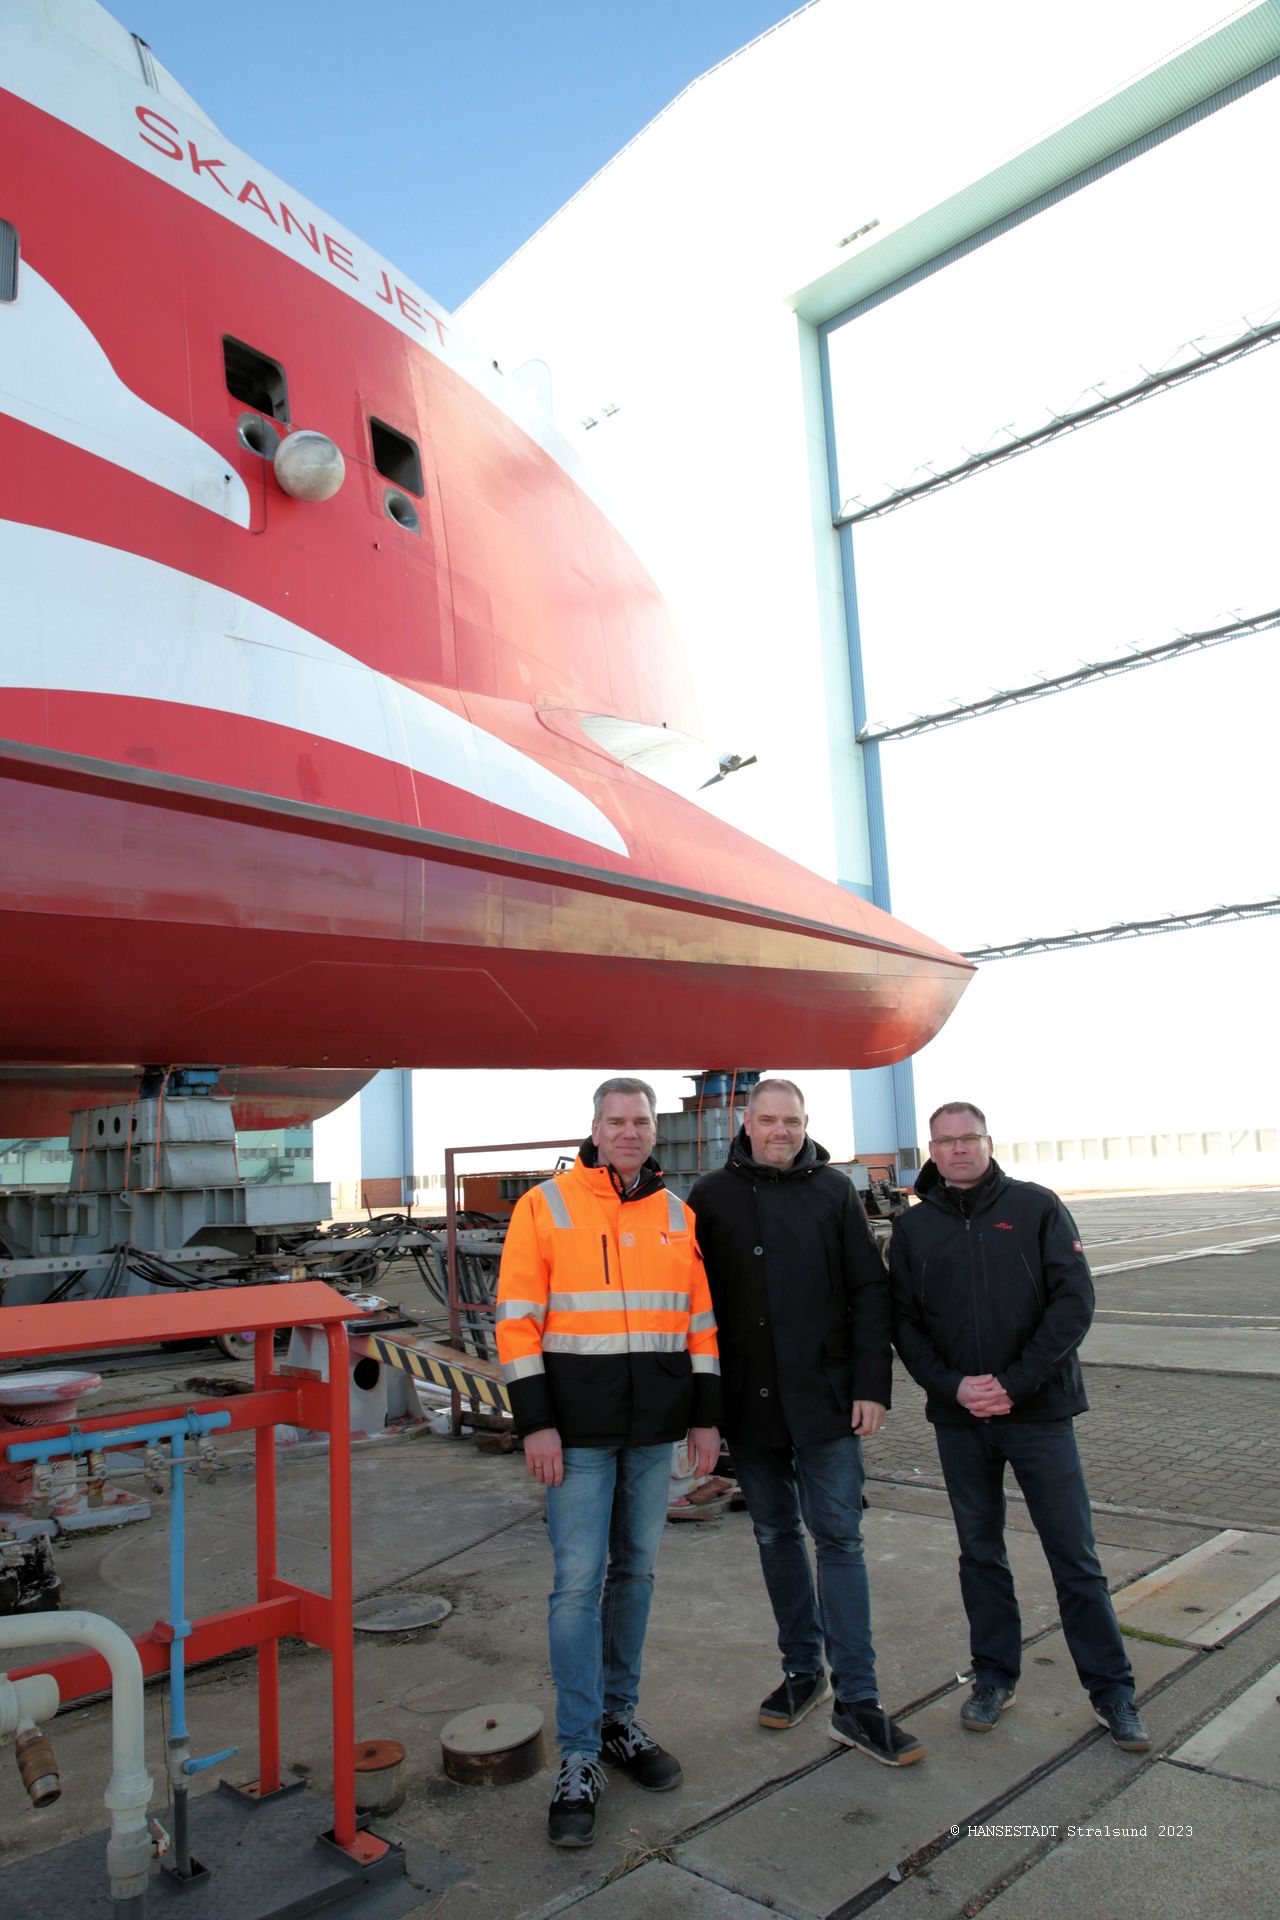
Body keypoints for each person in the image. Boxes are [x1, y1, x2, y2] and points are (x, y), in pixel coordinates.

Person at [496, 1077, 722, 1847]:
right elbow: (516, 1323)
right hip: (578, 1436)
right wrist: (536, 1424)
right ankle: (580, 1753)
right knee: (576, 1586)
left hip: (653, 1434)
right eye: (616, 1120)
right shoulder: (544, 1207)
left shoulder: (677, 1216)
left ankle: (620, 1721)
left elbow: (699, 1324)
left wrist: (704, 1419)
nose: (629, 1132)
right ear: (593, 1129)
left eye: (640, 1121)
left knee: (637, 1576)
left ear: (653, 1131)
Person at [889, 1102, 1151, 1752]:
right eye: (945, 1141)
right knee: (980, 1555)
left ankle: (1112, 1692)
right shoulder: (914, 1230)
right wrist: (954, 1386)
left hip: (1038, 1414)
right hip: (960, 1420)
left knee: (1074, 1555)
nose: (957, 1150)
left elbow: (1074, 1302)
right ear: (931, 1150)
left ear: (988, 1142)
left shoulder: (1037, 1207)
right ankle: (993, 1678)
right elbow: (904, 1324)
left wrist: (1015, 1383)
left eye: (968, 1138)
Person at [688, 1077, 925, 1768]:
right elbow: (693, 1308)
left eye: (790, 1121)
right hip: (749, 1406)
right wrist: (705, 1412)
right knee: (775, 1535)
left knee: (840, 1541)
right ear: (747, 1123)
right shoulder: (711, 1197)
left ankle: (858, 1701)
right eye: (768, 1120)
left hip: (827, 1404)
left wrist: (872, 1387)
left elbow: (869, 1291)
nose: (780, 1132)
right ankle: (802, 1672)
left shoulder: (833, 1192)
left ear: (805, 1123)